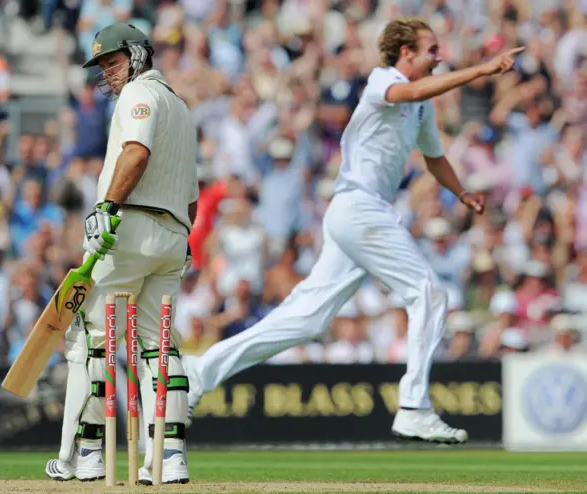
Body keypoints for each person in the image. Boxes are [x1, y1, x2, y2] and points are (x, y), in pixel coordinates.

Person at [182, 17, 524, 443]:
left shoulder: (422, 106)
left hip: (358, 212)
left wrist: (462, 192)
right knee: (429, 292)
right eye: (432, 50)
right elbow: (412, 90)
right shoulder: (385, 79)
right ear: (406, 53)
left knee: (306, 320)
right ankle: (414, 406)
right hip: (359, 206)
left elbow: (434, 157)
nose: (439, 57)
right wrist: (483, 70)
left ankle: (197, 372)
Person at [45, 23, 198, 484]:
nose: (107, 74)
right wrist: (183, 235)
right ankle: (169, 456)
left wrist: (107, 207)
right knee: (159, 346)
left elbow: (136, 152)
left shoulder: (139, 96)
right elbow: (191, 193)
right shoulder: (183, 108)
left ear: (135, 56)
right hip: (173, 236)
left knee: (94, 339)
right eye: (102, 67)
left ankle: (87, 452)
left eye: (111, 62)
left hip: (127, 231)